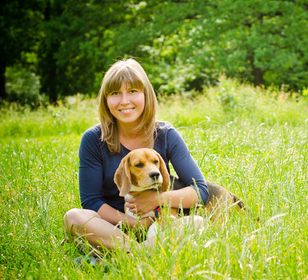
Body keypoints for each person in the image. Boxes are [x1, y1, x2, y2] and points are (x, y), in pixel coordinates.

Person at [63, 58, 209, 255]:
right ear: (106, 100)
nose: (124, 101)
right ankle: (141, 253)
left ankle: (127, 256)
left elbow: (200, 191)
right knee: (74, 218)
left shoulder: (166, 134)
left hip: (160, 224)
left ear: (146, 95)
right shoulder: (93, 139)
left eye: (132, 91)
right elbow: (91, 201)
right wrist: (134, 224)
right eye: (115, 93)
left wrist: (157, 199)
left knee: (196, 222)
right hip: (112, 229)